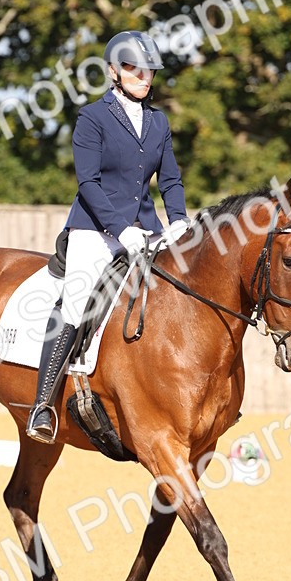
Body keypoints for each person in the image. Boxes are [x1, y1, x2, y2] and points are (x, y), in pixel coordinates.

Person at [26, 29, 190, 443]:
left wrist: (179, 220)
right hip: (94, 229)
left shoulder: (158, 121)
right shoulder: (92, 118)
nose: (144, 76)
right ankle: (42, 405)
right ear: (114, 71)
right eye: (134, 68)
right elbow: (89, 182)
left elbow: (169, 179)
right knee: (79, 300)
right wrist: (120, 229)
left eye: (149, 69)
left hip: (147, 230)